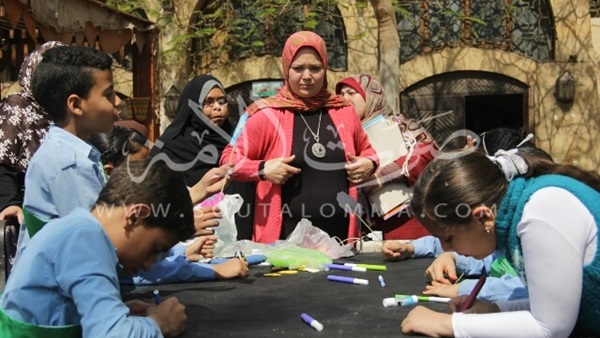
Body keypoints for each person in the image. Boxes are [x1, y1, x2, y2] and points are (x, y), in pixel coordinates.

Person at [401, 148, 600, 337]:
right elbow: (554, 304)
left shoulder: (541, 212)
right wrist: (495, 308)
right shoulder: (516, 216)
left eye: (448, 238)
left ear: (483, 218)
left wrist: (446, 325)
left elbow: (551, 328)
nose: (446, 248)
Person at [0, 159, 193, 337]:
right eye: (155, 248)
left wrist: (116, 313)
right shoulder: (85, 241)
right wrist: (159, 323)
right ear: (135, 216)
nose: (149, 265)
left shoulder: (79, 229)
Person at [220, 31, 378, 243]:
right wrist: (262, 169)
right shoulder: (267, 114)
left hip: (341, 240)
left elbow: (368, 151)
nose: (307, 76)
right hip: (284, 242)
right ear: (287, 68)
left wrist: (369, 163)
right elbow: (228, 161)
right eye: (298, 68)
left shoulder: (343, 110)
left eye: (315, 68)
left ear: (324, 68)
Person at [151, 75, 256, 240]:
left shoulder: (235, 142)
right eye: (208, 103)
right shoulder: (170, 149)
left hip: (238, 237)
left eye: (222, 101)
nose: (217, 108)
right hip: (189, 239)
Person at [336, 74, 438, 239]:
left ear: (370, 96)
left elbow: (426, 154)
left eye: (351, 92)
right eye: (341, 94)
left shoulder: (399, 125)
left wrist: (381, 177)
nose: (344, 98)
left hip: (407, 223)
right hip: (365, 233)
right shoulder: (340, 134)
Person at [0, 41, 65, 278]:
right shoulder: (17, 106)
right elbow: (3, 158)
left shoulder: (62, 112)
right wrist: (9, 202)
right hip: (24, 208)